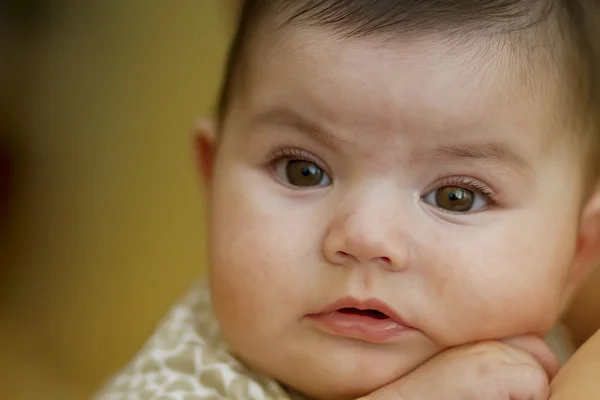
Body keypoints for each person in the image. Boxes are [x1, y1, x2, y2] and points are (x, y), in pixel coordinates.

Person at [95, 0, 600, 399]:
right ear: (211, 178)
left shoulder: (566, 366)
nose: (363, 237)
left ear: (577, 252)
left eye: (456, 196)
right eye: (304, 171)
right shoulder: (182, 380)